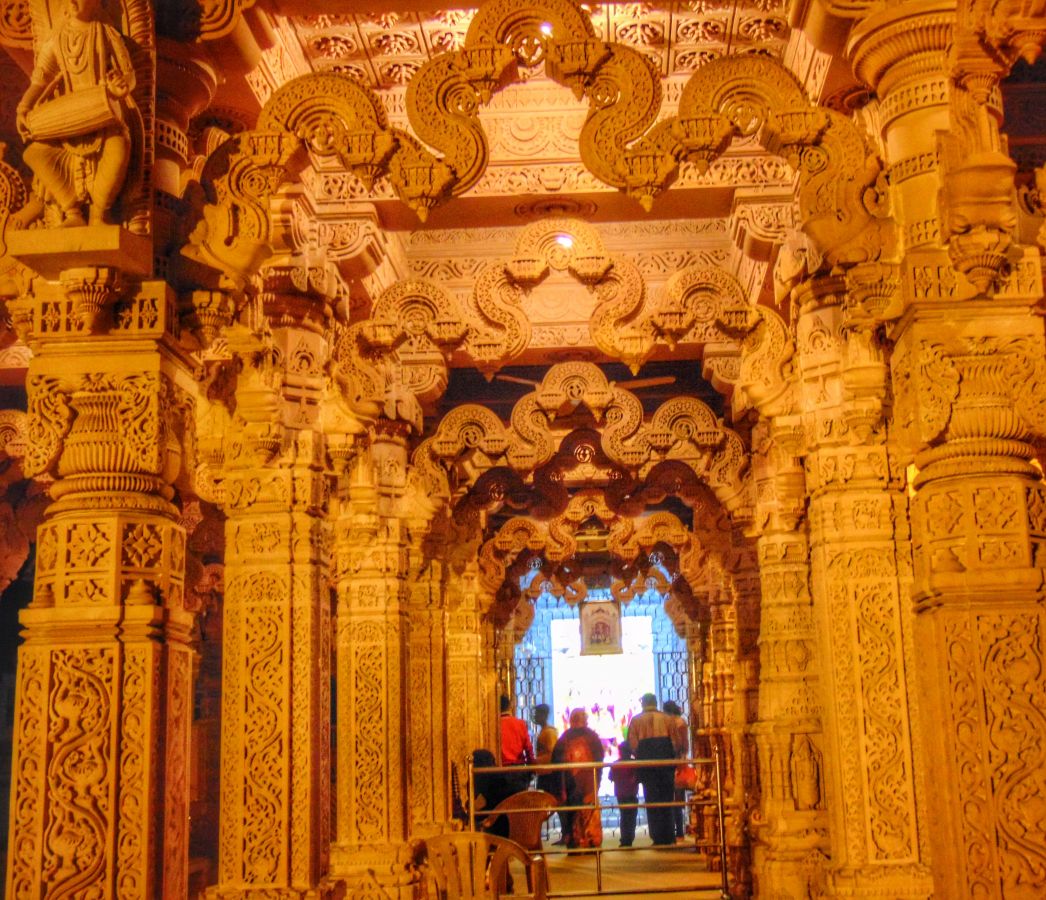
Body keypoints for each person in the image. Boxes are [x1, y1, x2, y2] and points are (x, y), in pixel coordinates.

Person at [17, 0, 138, 227]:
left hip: (104, 115)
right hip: (69, 120)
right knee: (34, 154)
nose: (72, 2)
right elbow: (40, 79)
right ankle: (72, 211)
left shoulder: (106, 33)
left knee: (119, 148)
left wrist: (121, 85)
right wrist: (23, 108)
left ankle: (98, 214)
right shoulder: (57, 39)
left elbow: (129, 75)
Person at [625, 692, 676, 846]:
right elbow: (675, 742)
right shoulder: (667, 719)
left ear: (643, 703)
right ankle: (669, 834)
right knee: (667, 798)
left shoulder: (636, 720)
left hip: (647, 765)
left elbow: (632, 743)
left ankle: (657, 836)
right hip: (665, 764)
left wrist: (641, 754)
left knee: (652, 799)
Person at [551, 708, 605, 849]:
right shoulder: (592, 737)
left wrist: (561, 786)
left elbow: (556, 763)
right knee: (588, 812)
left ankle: (576, 843)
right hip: (588, 782)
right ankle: (591, 842)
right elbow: (600, 758)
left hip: (571, 783)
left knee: (574, 812)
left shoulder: (564, 738)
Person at [532, 703, 567, 841]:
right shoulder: (544, 731)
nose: (535, 717)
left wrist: (538, 760)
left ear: (544, 715)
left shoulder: (549, 733)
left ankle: (566, 834)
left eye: (537, 714)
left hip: (549, 774)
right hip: (544, 773)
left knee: (556, 803)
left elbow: (553, 753)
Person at [472, 748, 515, 838]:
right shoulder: (503, 776)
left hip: (497, 829)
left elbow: (479, 804)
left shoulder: (481, 778)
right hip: (517, 824)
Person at [663, 700, 689, 840]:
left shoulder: (669, 723)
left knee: (669, 798)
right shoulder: (681, 723)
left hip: (670, 763)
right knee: (678, 799)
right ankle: (679, 831)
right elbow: (684, 746)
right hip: (679, 763)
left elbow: (678, 744)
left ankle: (672, 831)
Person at [499, 694, 534, 793]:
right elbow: (528, 749)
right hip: (518, 771)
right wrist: (532, 769)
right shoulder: (520, 724)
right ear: (510, 706)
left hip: (500, 772)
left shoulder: (495, 724)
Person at [609, 742, 639, 848]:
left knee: (624, 816)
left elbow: (611, 777)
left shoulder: (615, 764)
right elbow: (638, 777)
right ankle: (629, 838)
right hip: (632, 793)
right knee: (631, 817)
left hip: (620, 794)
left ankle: (625, 839)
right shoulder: (634, 763)